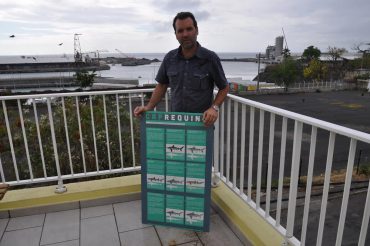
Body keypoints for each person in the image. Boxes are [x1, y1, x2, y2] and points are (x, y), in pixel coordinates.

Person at [134, 12, 229, 127]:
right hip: (176, 124)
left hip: (202, 125)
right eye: (180, 31)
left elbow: (224, 87)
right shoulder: (170, 58)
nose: (185, 34)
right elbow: (162, 85)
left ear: (197, 30)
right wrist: (149, 107)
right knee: (174, 146)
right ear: (176, 34)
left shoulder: (210, 58)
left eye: (189, 29)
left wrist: (214, 108)